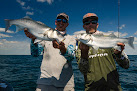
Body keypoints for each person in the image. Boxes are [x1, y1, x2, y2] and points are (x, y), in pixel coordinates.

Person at [75, 13, 130, 91]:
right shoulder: (80, 45)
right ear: (84, 26)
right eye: (87, 23)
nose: (90, 24)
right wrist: (84, 54)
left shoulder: (108, 39)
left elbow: (126, 65)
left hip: (113, 87)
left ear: (97, 25)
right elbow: (83, 70)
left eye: (93, 22)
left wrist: (118, 54)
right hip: (92, 88)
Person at [24, 13, 75, 91]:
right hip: (45, 81)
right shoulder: (44, 36)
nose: (61, 22)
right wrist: (33, 39)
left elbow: (71, 57)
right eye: (59, 20)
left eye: (64, 21)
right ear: (55, 22)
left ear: (67, 24)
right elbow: (35, 54)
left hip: (66, 83)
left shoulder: (71, 38)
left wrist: (62, 49)